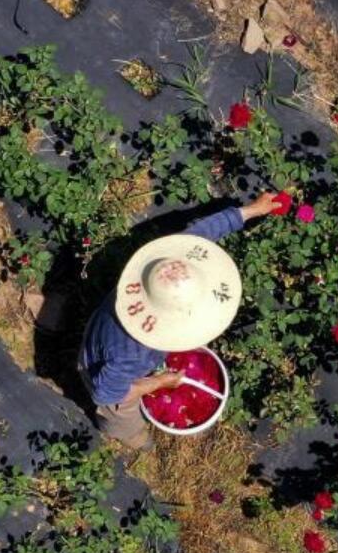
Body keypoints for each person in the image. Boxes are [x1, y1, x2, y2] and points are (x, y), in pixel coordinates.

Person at [79, 192, 281, 449]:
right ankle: (126, 435)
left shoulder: (163, 267)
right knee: (121, 416)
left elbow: (202, 233)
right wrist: (160, 382)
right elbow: (105, 393)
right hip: (100, 369)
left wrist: (252, 210)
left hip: (102, 329)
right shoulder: (134, 353)